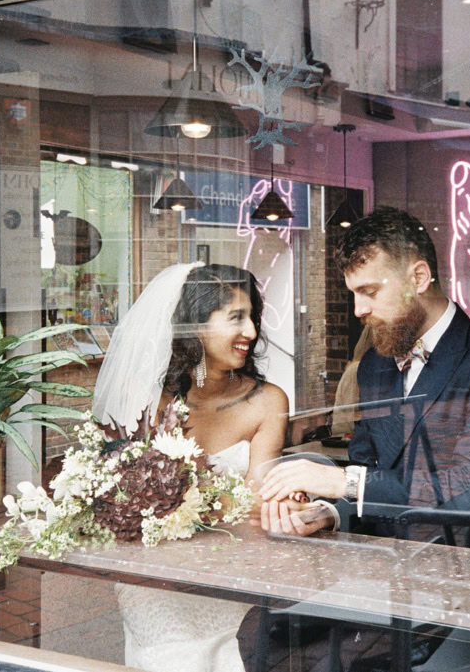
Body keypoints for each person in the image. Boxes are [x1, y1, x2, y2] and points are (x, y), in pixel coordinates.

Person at [258, 206, 470, 536]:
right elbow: (369, 475)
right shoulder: (374, 365)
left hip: (469, 571)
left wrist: (341, 481)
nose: (359, 310)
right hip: (385, 569)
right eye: (353, 294)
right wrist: (325, 513)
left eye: (370, 292)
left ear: (419, 278)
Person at [92, 262, 289, 672]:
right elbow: (108, 495)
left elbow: (258, 504)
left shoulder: (268, 402)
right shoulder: (138, 398)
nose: (251, 332)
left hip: (231, 577)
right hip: (155, 583)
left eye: (252, 317)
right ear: (193, 326)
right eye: (236, 317)